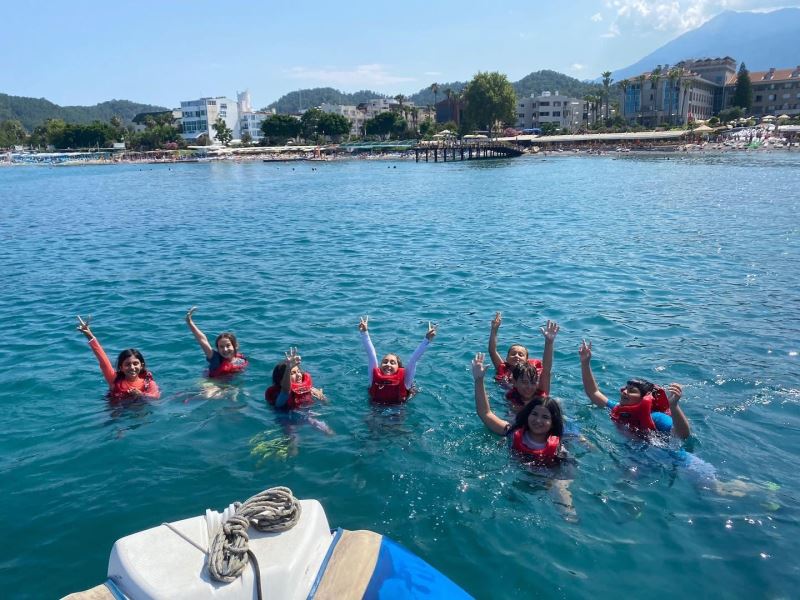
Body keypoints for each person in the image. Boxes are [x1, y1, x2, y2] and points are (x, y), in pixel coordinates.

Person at [472, 352, 575, 519]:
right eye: (534, 414)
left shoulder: (559, 447)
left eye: (545, 417)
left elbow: (566, 474)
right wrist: (479, 380)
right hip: (516, 475)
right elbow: (486, 413)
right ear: (526, 415)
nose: (538, 420)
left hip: (547, 476)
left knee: (561, 494)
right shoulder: (513, 432)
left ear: (553, 422)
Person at [578, 340, 690, 439]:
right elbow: (593, 393)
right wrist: (585, 363)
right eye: (626, 389)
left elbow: (682, 435)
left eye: (632, 391)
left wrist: (674, 406)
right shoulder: (618, 408)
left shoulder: (657, 417)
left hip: (663, 453)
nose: (624, 392)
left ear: (645, 397)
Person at [76, 315, 160, 401]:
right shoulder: (114, 379)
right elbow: (103, 361)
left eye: (135, 363)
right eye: (127, 364)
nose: (132, 367)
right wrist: (89, 336)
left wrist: (141, 394)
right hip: (117, 408)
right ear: (121, 367)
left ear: (141, 365)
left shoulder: (148, 383)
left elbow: (155, 397)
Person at [358, 316, 436, 404]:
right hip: (375, 409)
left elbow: (413, 360)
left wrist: (427, 339)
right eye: (385, 362)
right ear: (380, 366)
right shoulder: (373, 377)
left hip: (398, 410)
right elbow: (371, 355)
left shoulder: (406, 381)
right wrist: (364, 333)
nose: (388, 364)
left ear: (398, 367)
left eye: (392, 363)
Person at [501, 319, 560, 408]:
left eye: (533, 382)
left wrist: (549, 342)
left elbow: (546, 369)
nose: (529, 387)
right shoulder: (511, 397)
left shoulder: (540, 394)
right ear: (514, 382)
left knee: (557, 401)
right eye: (524, 382)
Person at [185, 307, 247, 378]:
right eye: (221, 347)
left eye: (228, 345)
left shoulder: (240, 360)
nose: (225, 349)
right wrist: (189, 322)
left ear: (235, 346)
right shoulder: (215, 358)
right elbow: (202, 339)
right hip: (212, 383)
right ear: (218, 349)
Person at [488, 312, 543, 387]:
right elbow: (492, 351)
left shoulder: (531, 373)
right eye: (513, 354)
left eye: (521, 355)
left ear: (526, 360)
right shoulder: (503, 367)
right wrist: (494, 330)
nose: (516, 356)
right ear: (507, 358)